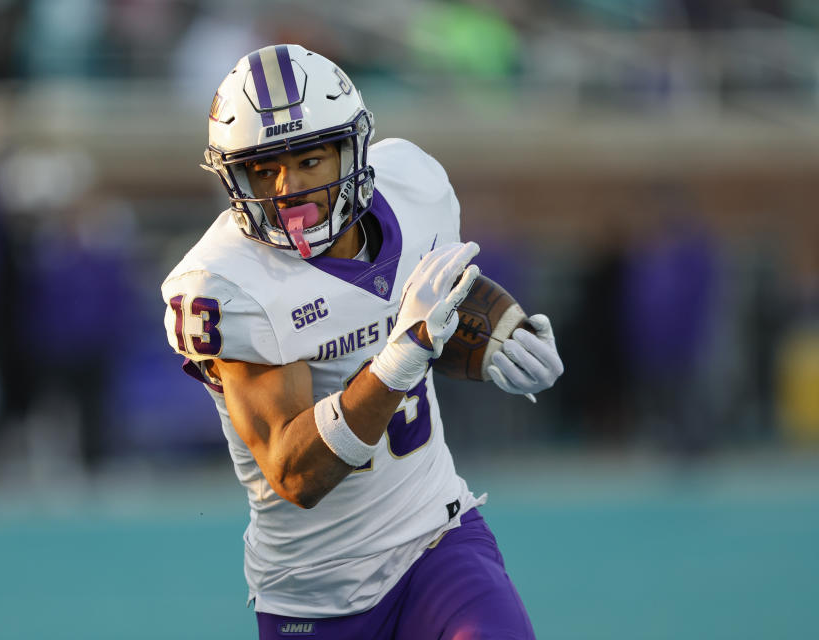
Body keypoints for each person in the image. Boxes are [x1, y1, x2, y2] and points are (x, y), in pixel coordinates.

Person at [161, 44, 563, 639]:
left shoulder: (415, 186)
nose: (285, 188)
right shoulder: (226, 285)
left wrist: (504, 337)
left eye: (308, 161)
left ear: (353, 150)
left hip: (434, 536)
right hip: (317, 594)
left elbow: (437, 307)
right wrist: (407, 351)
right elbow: (296, 472)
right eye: (262, 169)